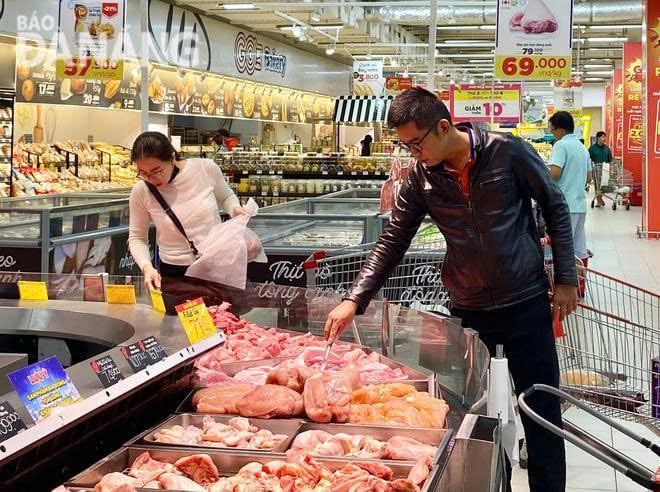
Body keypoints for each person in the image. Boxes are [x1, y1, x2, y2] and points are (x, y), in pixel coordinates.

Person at [323, 88, 577, 492]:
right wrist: (355, 298)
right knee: (476, 421)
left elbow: (555, 205)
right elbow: (393, 239)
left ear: (443, 127)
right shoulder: (421, 178)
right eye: (405, 146)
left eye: (416, 143)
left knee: (541, 412)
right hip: (469, 312)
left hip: (525, 302)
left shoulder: (507, 151)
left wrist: (566, 278)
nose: (412, 153)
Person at [128, 131, 246, 291]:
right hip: (174, 273)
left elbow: (226, 196)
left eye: (157, 171)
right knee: (176, 316)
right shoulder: (141, 191)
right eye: (143, 173)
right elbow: (137, 238)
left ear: (172, 158)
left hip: (215, 265)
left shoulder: (205, 169)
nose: (152, 178)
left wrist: (235, 209)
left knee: (220, 315)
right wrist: (147, 267)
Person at [548, 111, 592, 296]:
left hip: (564, 206)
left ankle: (559, 287)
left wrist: (541, 177)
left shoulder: (561, 146)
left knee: (560, 247)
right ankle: (580, 287)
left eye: (552, 129)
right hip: (580, 205)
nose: (552, 133)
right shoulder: (582, 147)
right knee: (579, 247)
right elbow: (589, 177)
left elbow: (555, 173)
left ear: (560, 129)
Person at [588, 131, 613, 207]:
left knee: (604, 186)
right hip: (596, 170)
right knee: (597, 185)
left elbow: (610, 159)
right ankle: (599, 200)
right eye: (602, 137)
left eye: (605, 137)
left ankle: (600, 199)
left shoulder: (606, 148)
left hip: (605, 170)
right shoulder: (592, 149)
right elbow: (588, 159)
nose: (604, 138)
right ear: (598, 138)